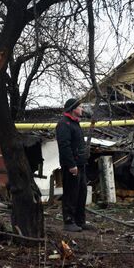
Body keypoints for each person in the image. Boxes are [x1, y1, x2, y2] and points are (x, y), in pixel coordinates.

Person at [55, 98, 92, 232]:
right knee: (71, 193)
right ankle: (69, 221)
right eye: (80, 107)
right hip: (71, 166)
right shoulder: (64, 124)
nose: (82, 109)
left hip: (80, 164)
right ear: (73, 109)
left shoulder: (75, 123)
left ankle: (80, 221)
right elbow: (64, 146)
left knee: (81, 193)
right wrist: (71, 165)